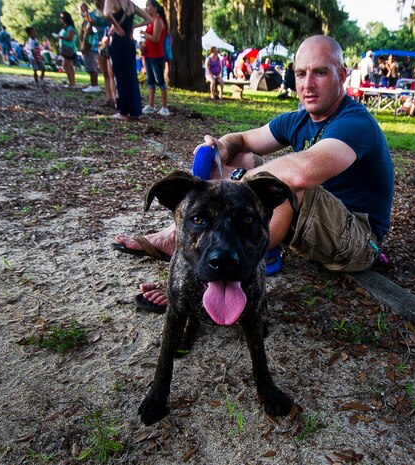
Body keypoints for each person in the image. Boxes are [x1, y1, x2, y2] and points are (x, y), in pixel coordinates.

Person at [114, 35, 394, 309]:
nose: (307, 84)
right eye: (300, 73)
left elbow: (303, 173)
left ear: (341, 74)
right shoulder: (298, 120)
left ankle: (214, 272)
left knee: (287, 184)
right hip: (320, 227)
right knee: (244, 159)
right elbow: (244, 140)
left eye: (320, 72)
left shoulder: (355, 122)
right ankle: (185, 237)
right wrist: (223, 148)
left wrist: (239, 184)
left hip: (359, 240)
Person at [104, 0, 152, 120]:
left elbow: (106, 13)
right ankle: (135, 111)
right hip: (129, 43)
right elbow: (149, 19)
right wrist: (133, 27)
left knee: (121, 77)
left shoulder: (112, 1)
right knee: (131, 77)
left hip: (118, 42)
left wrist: (116, 25)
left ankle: (124, 112)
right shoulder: (131, 5)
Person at [141, 0, 170, 115]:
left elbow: (156, 39)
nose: (146, 8)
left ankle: (164, 107)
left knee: (160, 81)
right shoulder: (150, 21)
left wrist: (144, 33)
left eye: (148, 6)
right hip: (148, 55)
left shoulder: (158, 21)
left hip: (156, 55)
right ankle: (151, 105)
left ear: (155, 8)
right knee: (150, 81)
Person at [79, 2, 101, 93]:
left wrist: (84, 45)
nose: (83, 12)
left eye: (84, 9)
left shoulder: (90, 21)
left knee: (91, 67)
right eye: (81, 9)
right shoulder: (85, 22)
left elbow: (88, 34)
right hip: (87, 45)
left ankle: (94, 86)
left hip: (89, 46)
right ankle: (93, 85)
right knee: (89, 66)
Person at [54, 11, 78, 87]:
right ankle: (72, 83)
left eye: (62, 18)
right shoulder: (65, 28)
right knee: (70, 66)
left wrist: (60, 37)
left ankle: (71, 83)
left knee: (66, 66)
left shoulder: (70, 28)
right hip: (65, 48)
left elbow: (70, 38)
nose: (61, 19)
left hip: (69, 49)